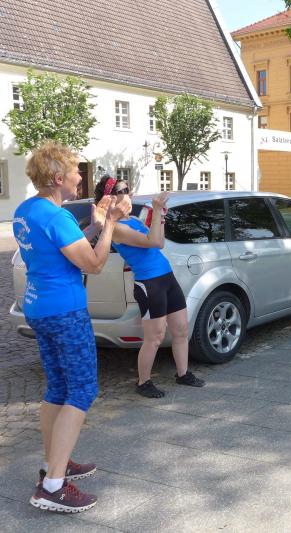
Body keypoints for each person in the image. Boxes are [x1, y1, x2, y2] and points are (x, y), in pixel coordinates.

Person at [14, 141, 130, 513]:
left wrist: (94, 225)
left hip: (39, 307)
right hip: (65, 311)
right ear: (58, 178)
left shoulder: (26, 210)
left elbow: (63, 246)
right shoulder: (56, 217)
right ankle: (52, 486)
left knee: (58, 387)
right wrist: (111, 224)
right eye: (76, 171)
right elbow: (93, 264)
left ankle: (55, 463)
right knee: (82, 390)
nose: (81, 176)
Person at [93, 176, 205, 398]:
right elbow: (152, 241)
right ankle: (143, 382)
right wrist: (156, 210)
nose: (129, 194)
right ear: (111, 198)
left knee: (181, 329)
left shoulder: (134, 219)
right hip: (149, 283)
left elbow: (159, 242)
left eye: (128, 189)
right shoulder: (116, 228)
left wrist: (159, 215)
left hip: (167, 277)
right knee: (155, 337)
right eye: (123, 190)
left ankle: (183, 374)